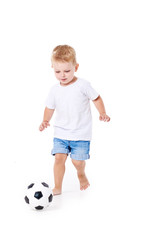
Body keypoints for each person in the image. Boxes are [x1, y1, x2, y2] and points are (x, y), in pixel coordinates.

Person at [39, 45, 110, 195]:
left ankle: (81, 173)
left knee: (77, 161)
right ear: (52, 68)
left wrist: (102, 113)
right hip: (61, 132)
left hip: (81, 133)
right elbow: (49, 107)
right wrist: (45, 121)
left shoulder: (83, 85)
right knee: (58, 159)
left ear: (76, 67)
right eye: (57, 71)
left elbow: (96, 98)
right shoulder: (54, 90)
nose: (62, 75)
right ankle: (57, 187)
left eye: (67, 71)